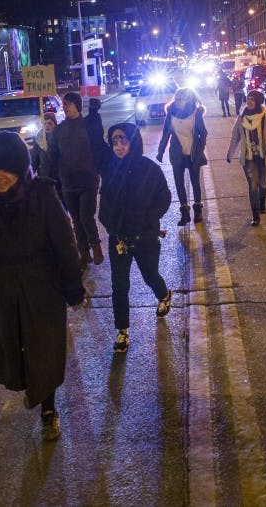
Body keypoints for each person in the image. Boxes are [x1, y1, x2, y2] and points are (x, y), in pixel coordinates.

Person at [0, 133, 86, 442]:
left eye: (8, 171)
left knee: (43, 350)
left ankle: (48, 410)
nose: (0, 178)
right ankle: (29, 389)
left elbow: (64, 244)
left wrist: (73, 287)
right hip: (0, 287)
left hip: (40, 285)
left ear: (21, 170)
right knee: (12, 348)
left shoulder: (41, 194)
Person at [101, 123, 174, 353]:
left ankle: (164, 294)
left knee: (150, 275)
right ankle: (122, 332)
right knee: (119, 285)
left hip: (145, 236)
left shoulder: (149, 169)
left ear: (133, 142)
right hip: (119, 239)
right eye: (114, 142)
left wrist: (149, 219)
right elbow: (105, 203)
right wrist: (110, 224)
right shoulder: (110, 169)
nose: (119, 147)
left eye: (123, 141)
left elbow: (165, 196)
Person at [49, 92, 107, 269]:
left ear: (77, 105)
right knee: (75, 219)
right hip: (68, 181)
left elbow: (98, 134)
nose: (65, 107)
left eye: (69, 104)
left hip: (88, 179)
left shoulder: (87, 125)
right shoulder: (58, 130)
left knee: (85, 216)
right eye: (64, 104)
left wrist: (95, 112)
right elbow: (54, 156)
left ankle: (96, 247)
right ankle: (84, 253)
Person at [226, 89, 266, 227]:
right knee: (253, 186)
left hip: (264, 157)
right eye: (248, 99)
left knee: (263, 183)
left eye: (252, 99)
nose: (249, 102)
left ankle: (262, 204)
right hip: (248, 158)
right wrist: (230, 154)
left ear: (257, 102)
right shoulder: (241, 117)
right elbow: (235, 137)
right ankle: (255, 216)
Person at [156, 87, 209, 225]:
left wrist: (200, 147)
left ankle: (198, 211)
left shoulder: (195, 112)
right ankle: (185, 213)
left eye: (182, 99)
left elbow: (203, 132)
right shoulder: (171, 112)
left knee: (195, 181)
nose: (179, 101)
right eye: (177, 98)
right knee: (179, 183)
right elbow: (166, 133)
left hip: (192, 152)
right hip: (177, 153)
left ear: (189, 99)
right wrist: (160, 151)